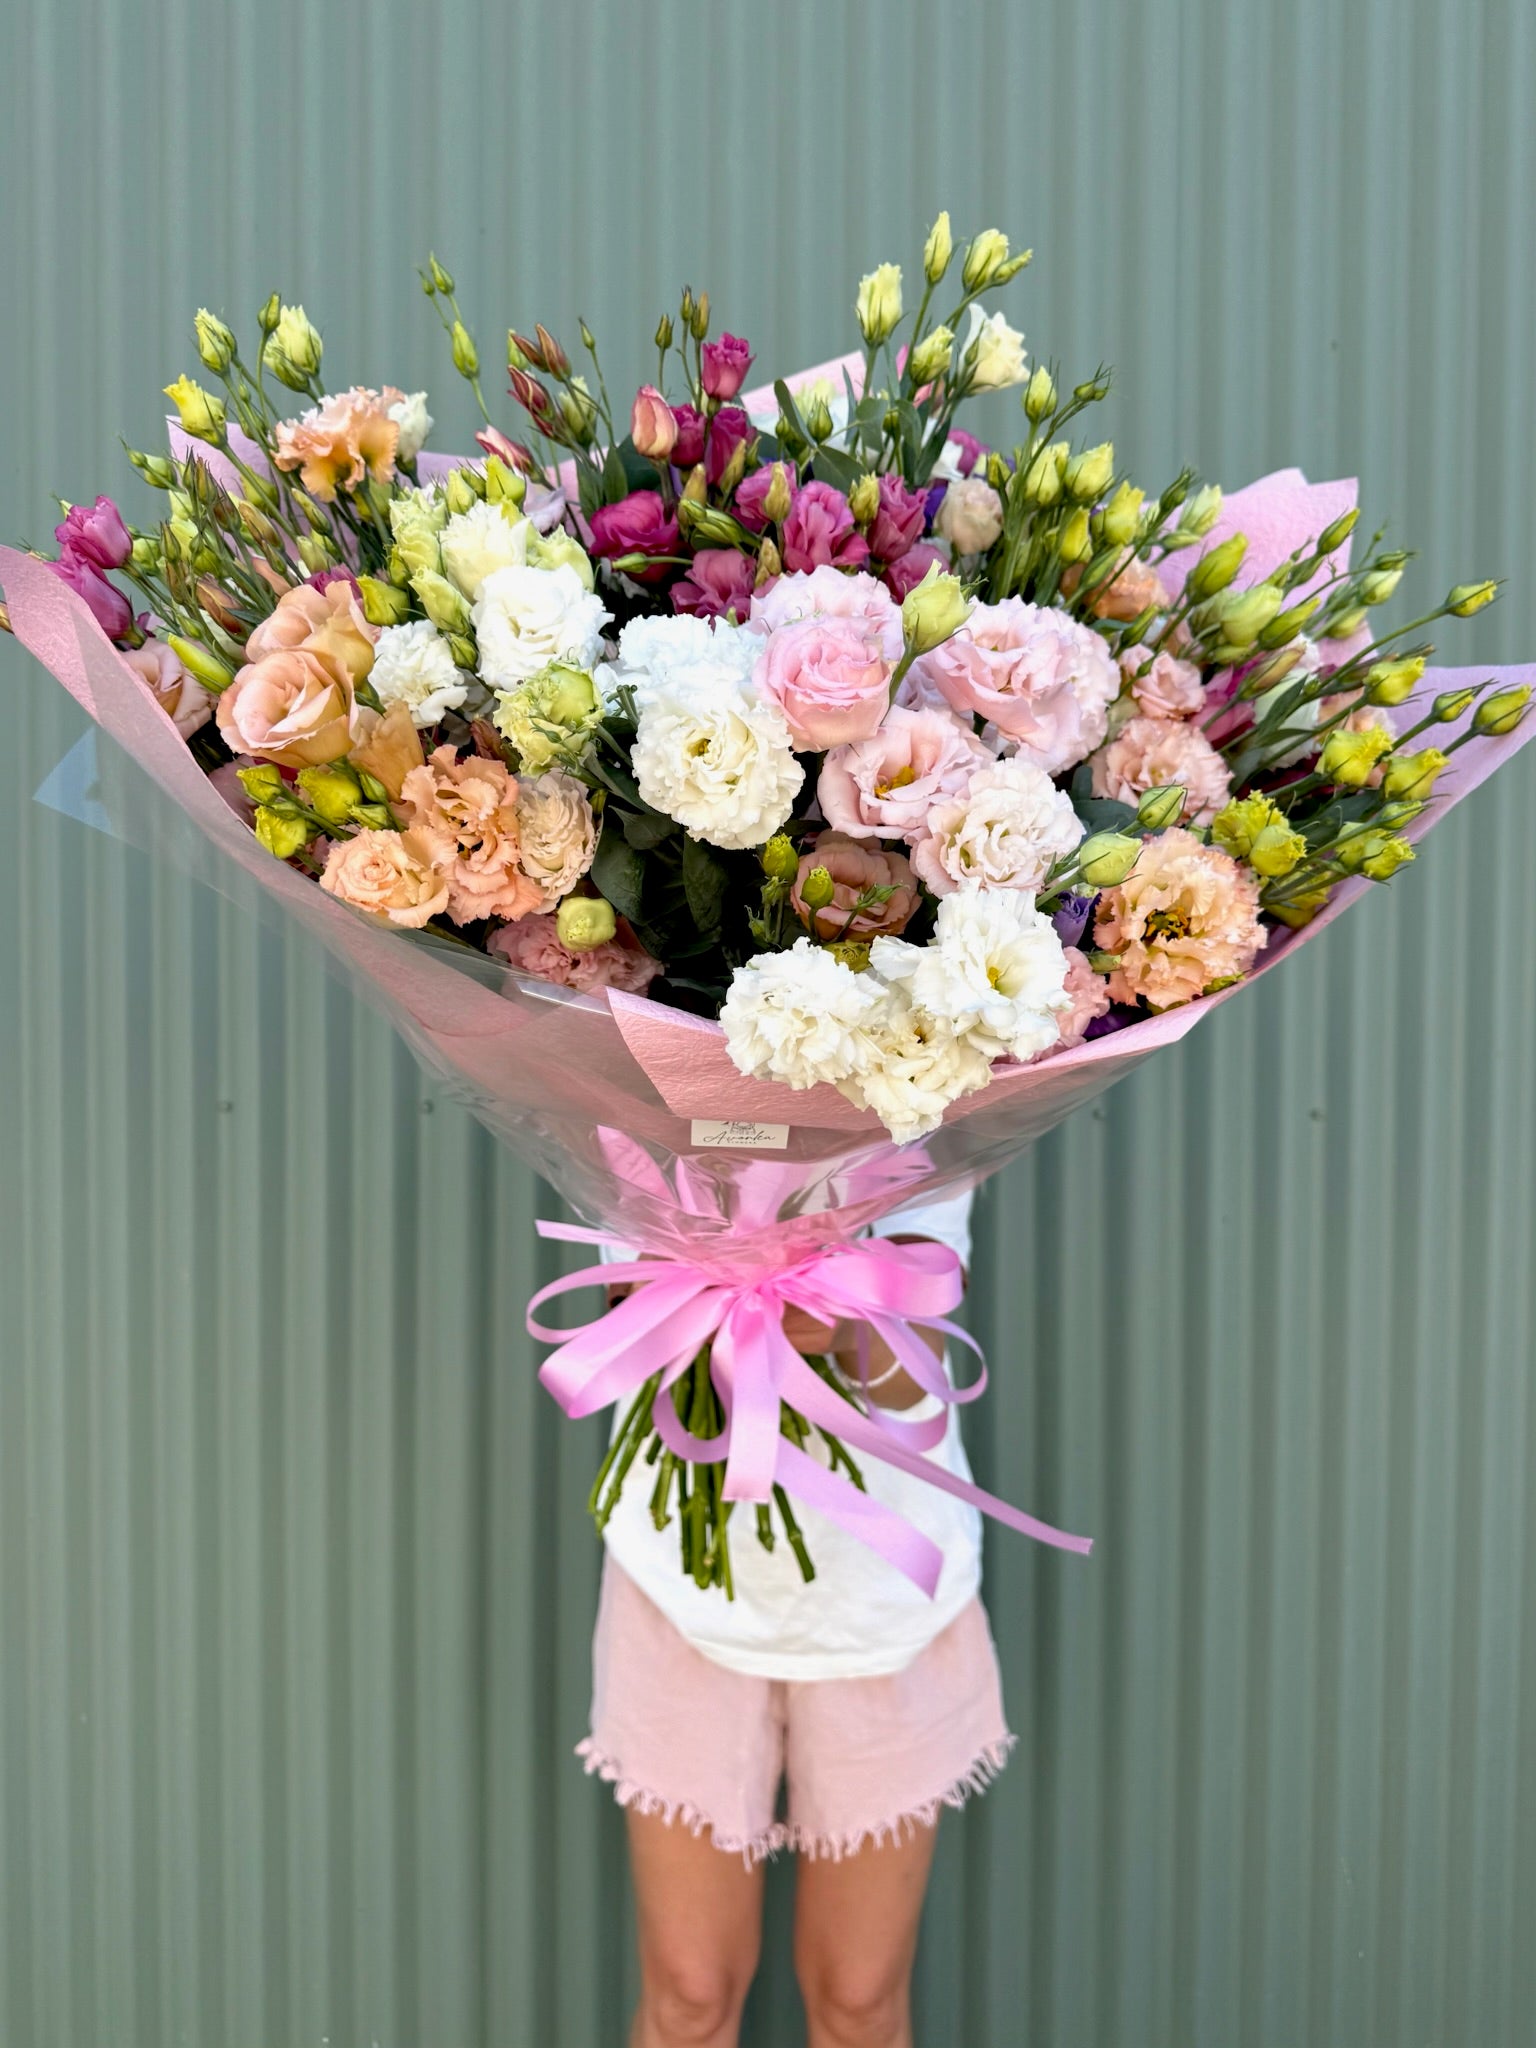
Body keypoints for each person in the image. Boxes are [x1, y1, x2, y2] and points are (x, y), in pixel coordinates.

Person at [587, 1191, 1009, 2048]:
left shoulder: (920, 1083)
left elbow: (912, 1378)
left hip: (879, 1596)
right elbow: (623, 1331)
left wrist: (846, 1330)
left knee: (859, 2002)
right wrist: (696, 1300)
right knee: (690, 1995)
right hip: (684, 1585)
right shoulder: (646, 1092)